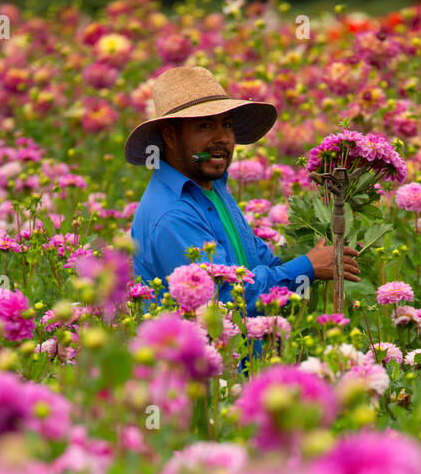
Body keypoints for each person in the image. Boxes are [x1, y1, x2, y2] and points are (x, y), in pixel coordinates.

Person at [125, 66, 359, 314]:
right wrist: (307, 268)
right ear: (170, 136)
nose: (223, 138)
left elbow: (255, 261)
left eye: (226, 124)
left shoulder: (211, 186)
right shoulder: (171, 215)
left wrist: (313, 261)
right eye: (205, 126)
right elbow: (224, 300)